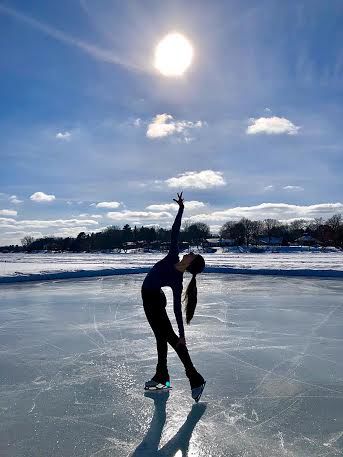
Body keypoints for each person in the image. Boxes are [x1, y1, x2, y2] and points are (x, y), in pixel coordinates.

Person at [141, 192, 206, 402]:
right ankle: (163, 377)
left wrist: (182, 334)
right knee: (162, 337)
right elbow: (174, 231)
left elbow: (178, 310)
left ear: (190, 264)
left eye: (193, 255)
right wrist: (181, 209)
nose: (190, 253)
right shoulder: (173, 255)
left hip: (152, 301)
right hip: (156, 299)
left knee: (169, 338)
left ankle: (194, 377)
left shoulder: (177, 281)